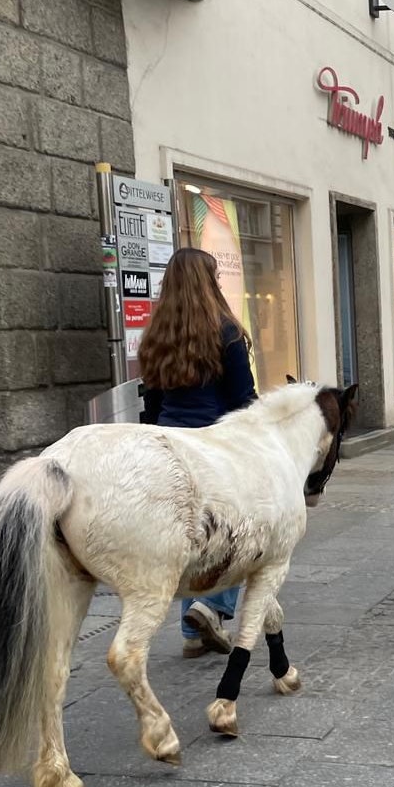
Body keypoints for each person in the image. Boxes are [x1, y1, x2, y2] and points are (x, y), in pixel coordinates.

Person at [138, 248, 256, 658]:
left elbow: (151, 403)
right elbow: (243, 400)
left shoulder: (156, 334)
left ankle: (193, 631)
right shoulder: (227, 333)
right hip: (214, 447)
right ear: (208, 281)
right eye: (216, 275)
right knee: (243, 532)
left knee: (192, 536)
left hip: (170, 447)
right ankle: (212, 605)